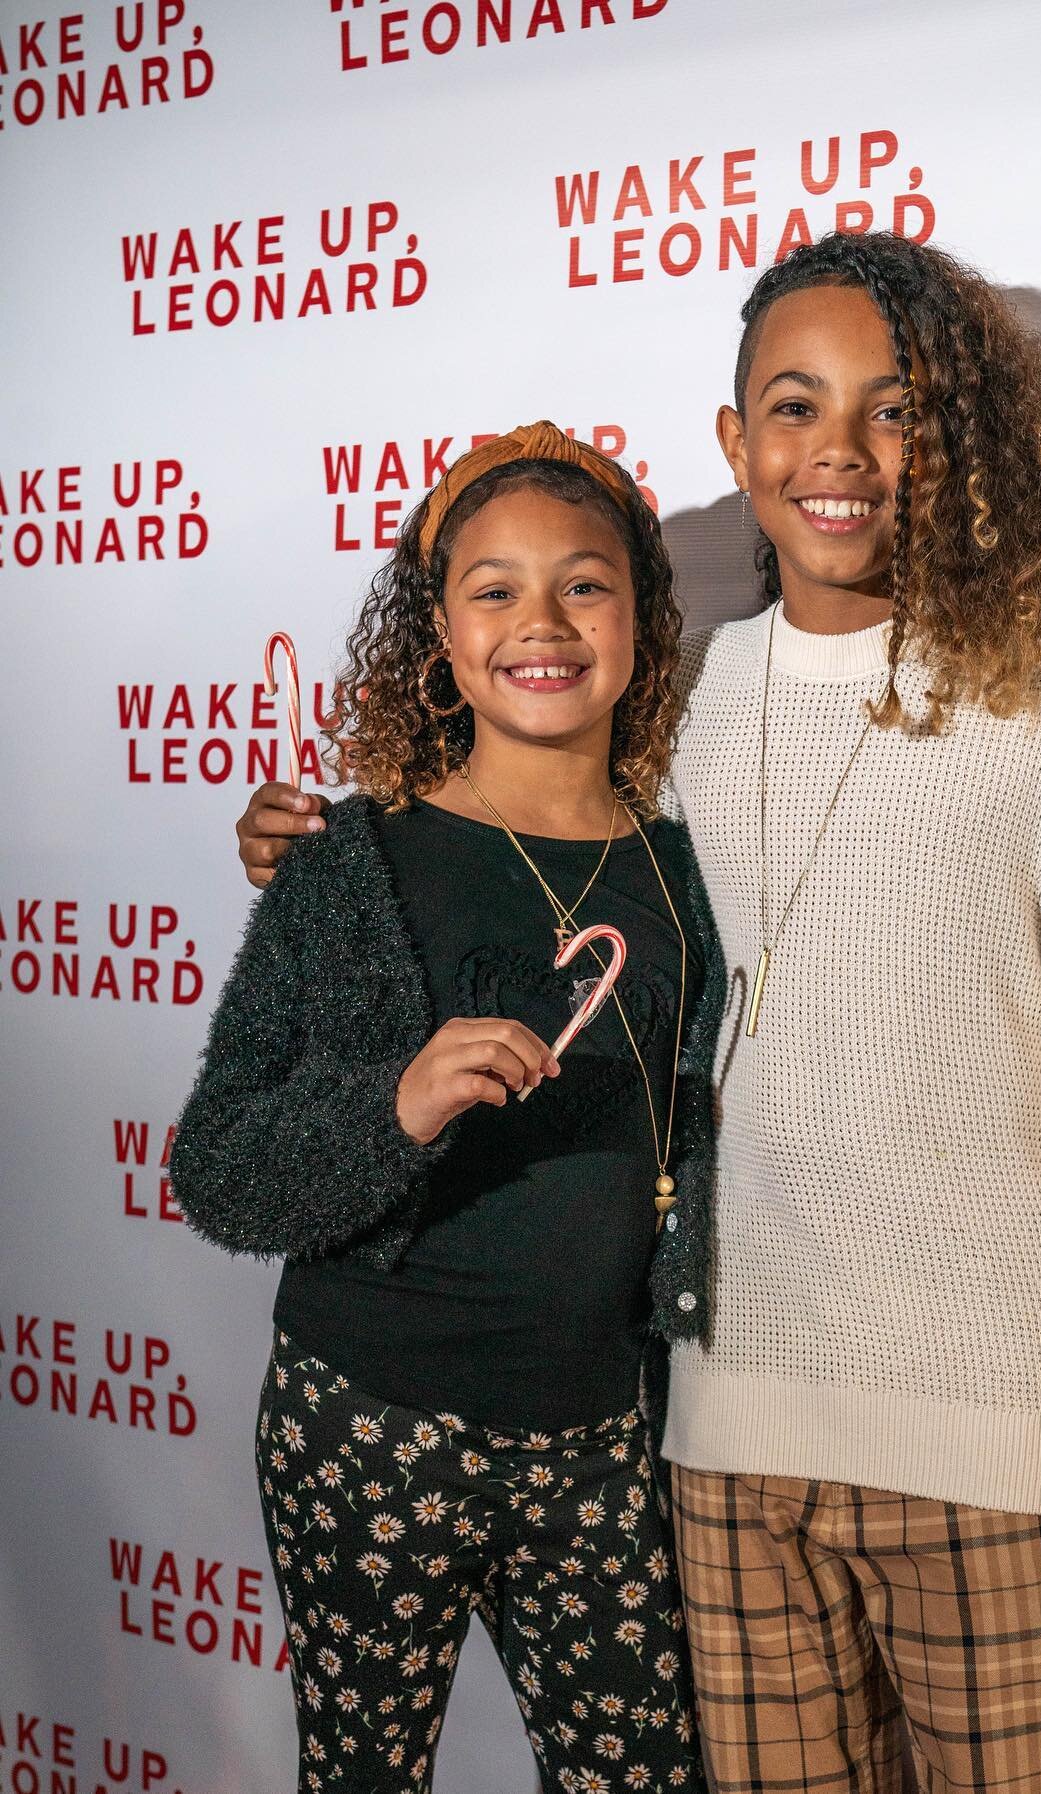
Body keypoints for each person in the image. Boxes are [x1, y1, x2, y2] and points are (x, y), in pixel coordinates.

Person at [237, 233, 1041, 1794]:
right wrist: (332, 835)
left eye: (891, 410)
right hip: (720, 1437)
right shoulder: (679, 711)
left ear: (950, 439)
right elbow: (505, 804)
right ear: (735, 444)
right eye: (795, 406)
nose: (839, 453)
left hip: (985, 1432)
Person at [173, 423, 722, 1794]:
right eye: (494, 587)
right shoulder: (349, 858)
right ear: (438, 629)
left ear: (643, 622)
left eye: (584, 583)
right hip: (366, 1421)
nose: (541, 621)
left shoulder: (695, 864)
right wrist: (397, 1101)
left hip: (607, 1435)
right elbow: (221, 1168)